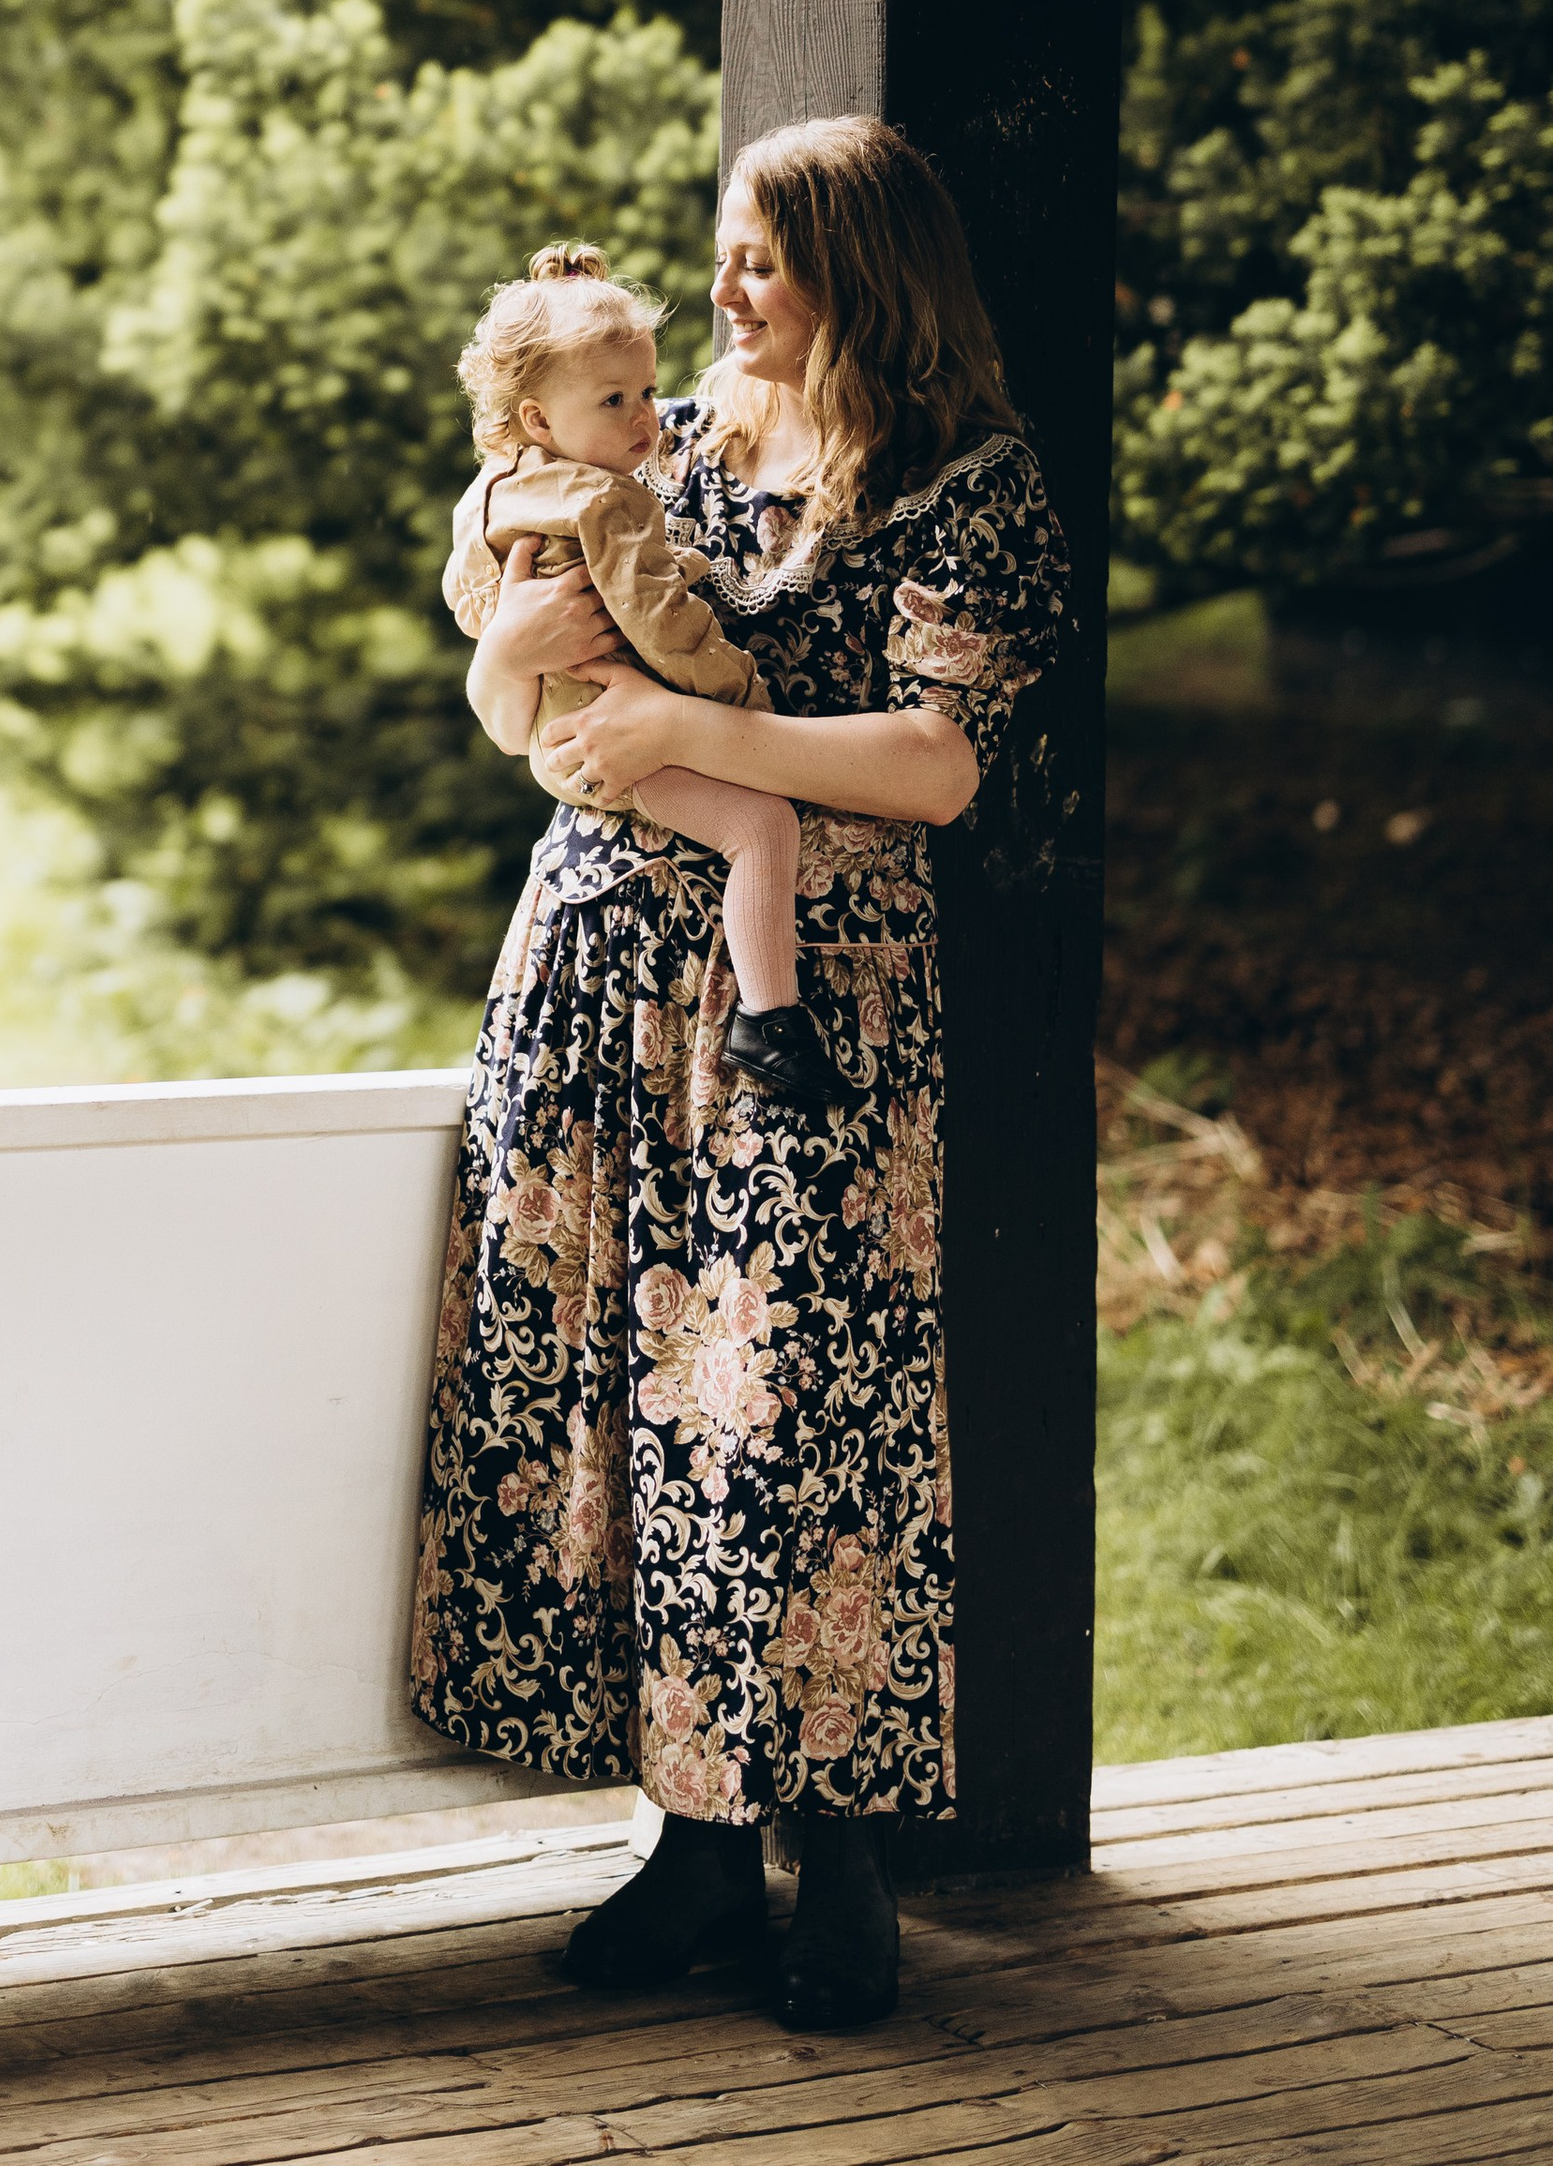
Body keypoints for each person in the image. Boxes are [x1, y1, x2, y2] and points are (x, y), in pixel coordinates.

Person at [408, 114, 1068, 2032]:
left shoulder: (966, 480)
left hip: (817, 994)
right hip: (602, 952)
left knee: (801, 1409)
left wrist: (693, 723)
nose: (723, 294)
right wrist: (516, 676)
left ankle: (839, 1853)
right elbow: (522, 671)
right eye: (722, 256)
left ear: (861, 270)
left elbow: (934, 767)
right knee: (614, 1387)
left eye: (761, 260)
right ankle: (692, 1850)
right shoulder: (659, 437)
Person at [442, 241, 833, 1112]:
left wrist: (505, 640)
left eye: (649, 393)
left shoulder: (491, 493)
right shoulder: (610, 498)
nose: (644, 418)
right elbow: (660, 623)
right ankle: (772, 1020)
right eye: (614, 400)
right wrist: (738, 699)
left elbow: (467, 598)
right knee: (762, 823)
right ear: (540, 418)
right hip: (618, 744)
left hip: (560, 738)